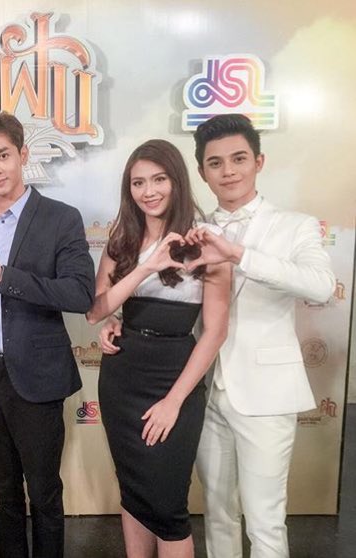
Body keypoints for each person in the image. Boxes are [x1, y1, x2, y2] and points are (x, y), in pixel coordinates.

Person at [187, 114, 335, 558]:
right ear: (202, 172)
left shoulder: (296, 225)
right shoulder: (192, 228)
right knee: (217, 514)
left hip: (266, 395)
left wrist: (239, 254)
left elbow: (321, 286)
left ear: (259, 162)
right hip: (204, 389)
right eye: (215, 163)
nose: (228, 171)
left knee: (265, 521)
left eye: (238, 159)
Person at [0, 111, 95, 558]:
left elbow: (79, 293)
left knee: (44, 492)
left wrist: (4, 276)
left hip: (37, 376)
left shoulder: (60, 218)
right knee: (2, 493)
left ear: (23, 155)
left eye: (3, 156)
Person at [87, 139, 230, 557]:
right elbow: (96, 310)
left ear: (177, 181)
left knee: (168, 508)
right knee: (133, 493)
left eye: (159, 179)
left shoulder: (207, 240)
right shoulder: (122, 238)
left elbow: (215, 332)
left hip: (174, 378)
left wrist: (173, 402)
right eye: (138, 183)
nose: (148, 191)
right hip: (122, 378)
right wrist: (146, 267)